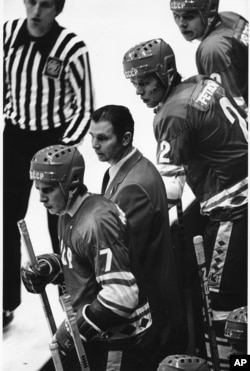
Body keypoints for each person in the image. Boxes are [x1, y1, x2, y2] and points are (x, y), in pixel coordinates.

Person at [123, 38, 248, 369]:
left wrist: (125, 219)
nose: (139, 90)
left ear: (165, 74)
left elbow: (169, 191)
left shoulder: (172, 114)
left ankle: (232, 365)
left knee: (220, 308)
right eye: (134, 82)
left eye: (145, 81)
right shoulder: (202, 82)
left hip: (234, 213)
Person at [21, 144, 153, 371]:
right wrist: (50, 267)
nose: (41, 199)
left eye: (48, 190)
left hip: (119, 344)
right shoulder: (67, 213)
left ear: (70, 184)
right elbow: (84, 264)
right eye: (38, 189)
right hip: (100, 339)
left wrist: (77, 330)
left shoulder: (98, 221)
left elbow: (122, 295)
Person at [3, 0, 94, 328]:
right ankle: (6, 302)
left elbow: (84, 107)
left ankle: (71, 296)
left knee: (61, 221)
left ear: (57, 9)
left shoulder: (72, 48)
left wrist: (63, 150)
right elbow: (5, 81)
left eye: (44, 4)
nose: (36, 10)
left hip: (52, 142)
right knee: (9, 219)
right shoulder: (9, 33)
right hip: (15, 139)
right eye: (31, 2)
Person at [89, 104, 187, 367]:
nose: (94, 145)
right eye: (92, 137)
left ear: (126, 138)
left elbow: (123, 255)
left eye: (102, 138)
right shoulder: (129, 168)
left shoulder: (132, 186)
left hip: (147, 313)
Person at [169, 0, 248, 112]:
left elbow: (234, 110)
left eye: (189, 16)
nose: (182, 24)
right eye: (176, 16)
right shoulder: (230, 17)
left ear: (209, 13)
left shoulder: (212, 50)